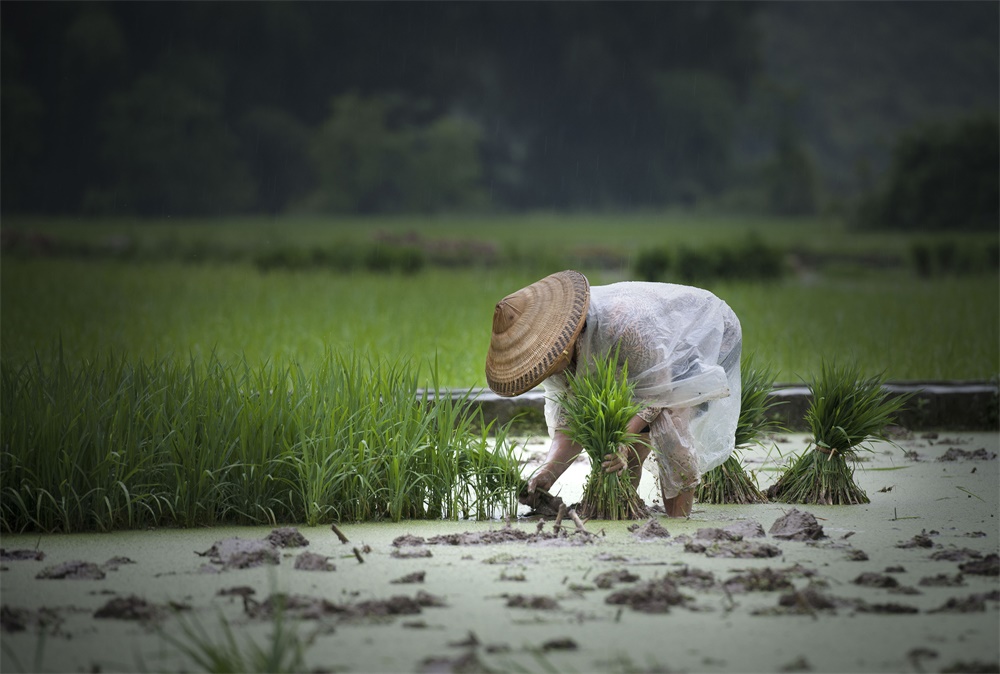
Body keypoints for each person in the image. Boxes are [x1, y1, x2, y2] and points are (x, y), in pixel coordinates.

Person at [484, 270, 742, 518]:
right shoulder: (551, 360)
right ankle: (628, 510)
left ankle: (678, 523)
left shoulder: (626, 327)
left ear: (564, 344)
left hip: (694, 340)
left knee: (670, 432)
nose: (548, 371)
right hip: (645, 369)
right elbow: (569, 423)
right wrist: (547, 473)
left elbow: (659, 393)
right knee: (620, 444)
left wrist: (623, 439)